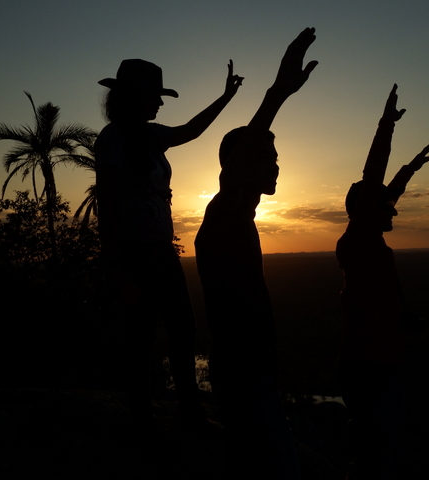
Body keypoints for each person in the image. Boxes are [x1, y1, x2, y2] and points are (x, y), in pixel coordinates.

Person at [194, 28, 318, 480]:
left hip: (250, 371)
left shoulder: (236, 216)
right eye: (266, 157)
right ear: (241, 165)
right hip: (244, 375)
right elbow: (246, 149)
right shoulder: (224, 213)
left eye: (276, 156)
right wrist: (277, 92)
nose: (276, 165)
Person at [95, 58, 243, 429]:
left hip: (160, 247)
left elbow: (192, 130)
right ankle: (143, 414)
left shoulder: (150, 135)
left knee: (183, 325)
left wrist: (226, 97)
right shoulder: (114, 139)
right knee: (143, 332)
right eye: (154, 96)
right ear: (133, 97)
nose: (160, 103)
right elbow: (107, 203)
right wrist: (115, 265)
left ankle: (189, 410)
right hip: (135, 250)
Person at [336, 84, 429, 479]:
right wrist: (386, 125)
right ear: (365, 210)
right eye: (385, 207)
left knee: (383, 448)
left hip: (380, 361)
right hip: (368, 366)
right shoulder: (359, 239)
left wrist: (410, 170)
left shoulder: (370, 241)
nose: (393, 211)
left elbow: (386, 192)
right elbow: (374, 176)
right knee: (377, 454)